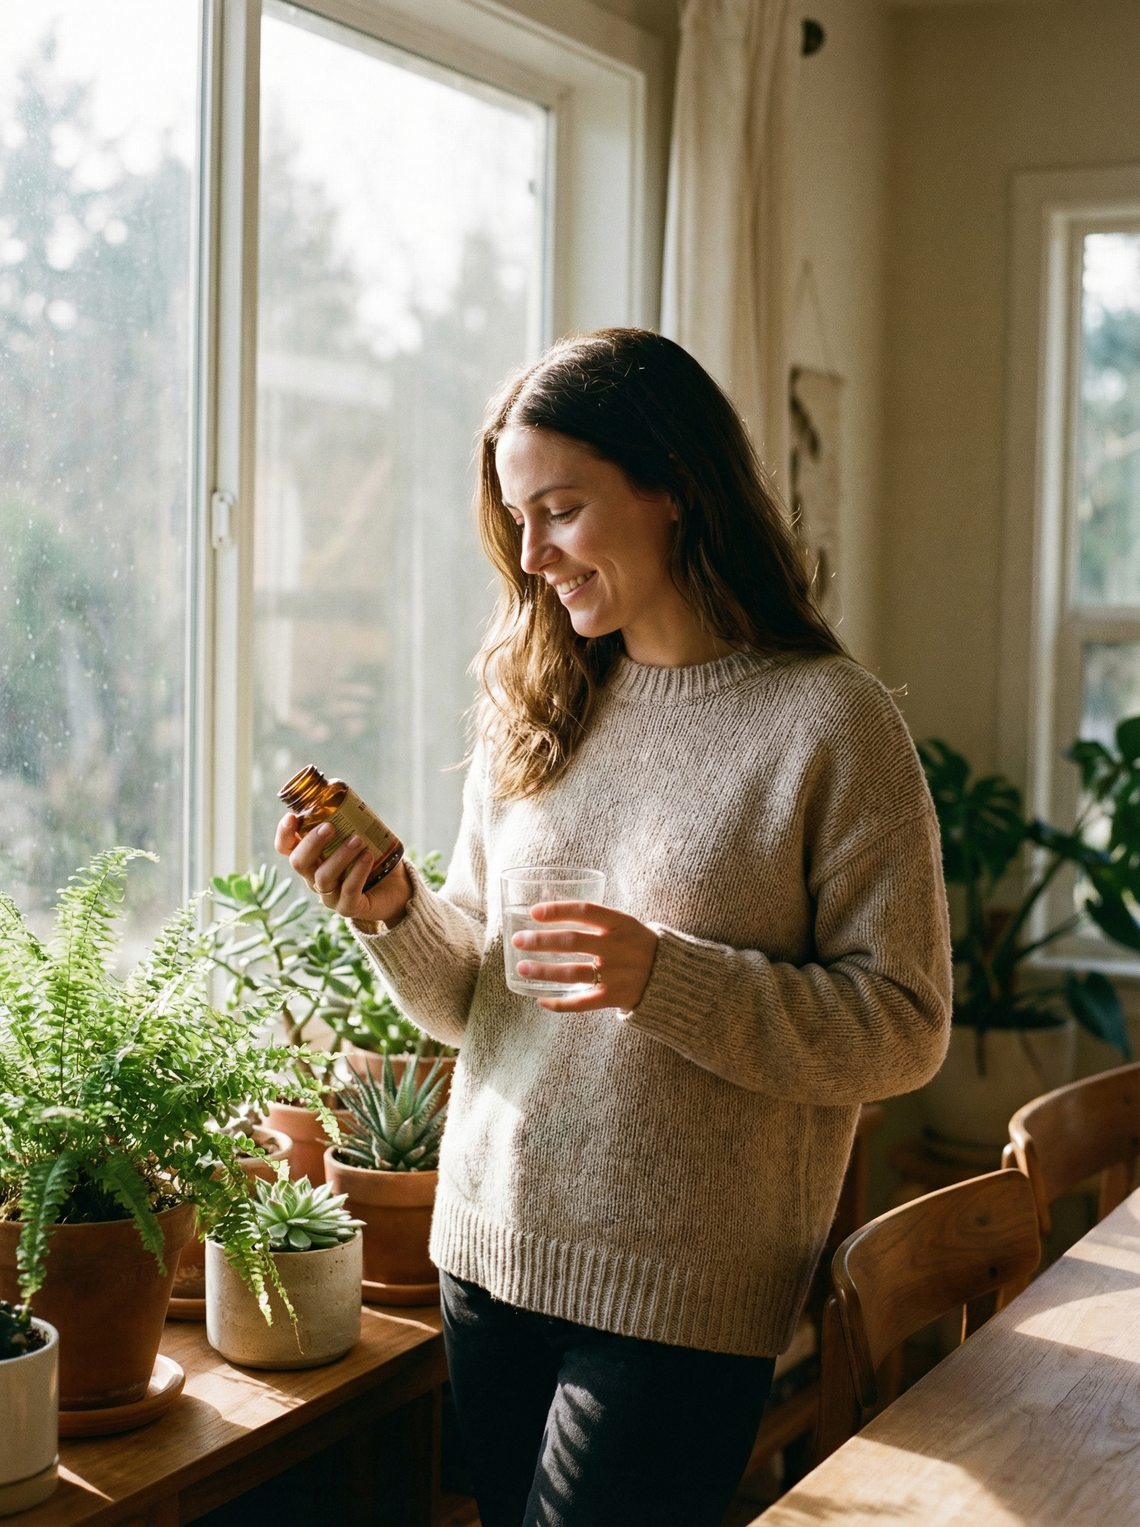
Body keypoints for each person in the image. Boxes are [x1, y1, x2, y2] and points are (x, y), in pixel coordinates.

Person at [277, 328, 952, 1527]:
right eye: (516, 520)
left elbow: (902, 1031)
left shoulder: (829, 723)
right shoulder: (535, 703)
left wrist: (667, 978)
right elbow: (481, 998)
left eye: (563, 511)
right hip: (488, 1247)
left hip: (686, 1292)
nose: (532, 557)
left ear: (674, 488)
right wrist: (395, 917)